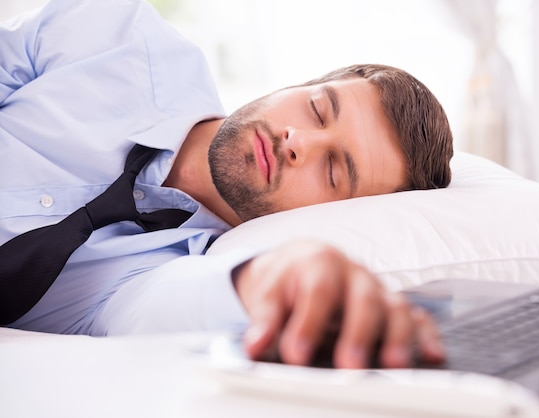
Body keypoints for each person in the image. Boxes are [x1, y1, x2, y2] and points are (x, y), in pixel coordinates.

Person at [0, 0, 453, 369]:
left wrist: (269, 279)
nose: (298, 142)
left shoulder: (163, 275)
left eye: (333, 171)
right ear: (296, 85)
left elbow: (165, 307)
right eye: (317, 109)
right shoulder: (119, 36)